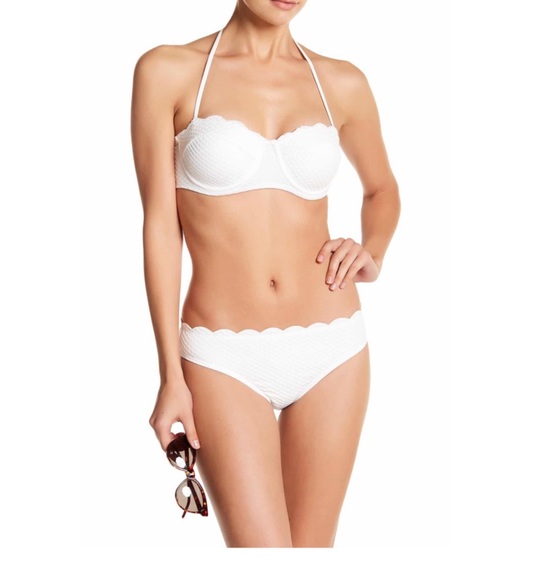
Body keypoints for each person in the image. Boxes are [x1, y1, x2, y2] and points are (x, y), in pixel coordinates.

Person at [130, 0, 400, 547]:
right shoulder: (167, 71)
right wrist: (169, 374)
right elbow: (161, 227)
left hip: (333, 346)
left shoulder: (341, 82)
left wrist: (372, 250)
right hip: (221, 353)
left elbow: (382, 189)